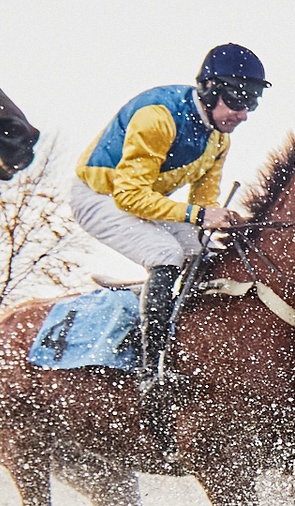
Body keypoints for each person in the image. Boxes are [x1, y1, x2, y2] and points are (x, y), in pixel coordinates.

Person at [70, 44, 267, 375]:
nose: (244, 113)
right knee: (166, 253)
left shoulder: (219, 139)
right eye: (238, 99)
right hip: (98, 197)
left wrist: (221, 219)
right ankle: (153, 366)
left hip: (142, 198)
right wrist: (201, 216)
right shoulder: (158, 118)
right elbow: (129, 197)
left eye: (253, 101)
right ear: (209, 89)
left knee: (198, 250)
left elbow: (203, 202)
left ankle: (175, 322)